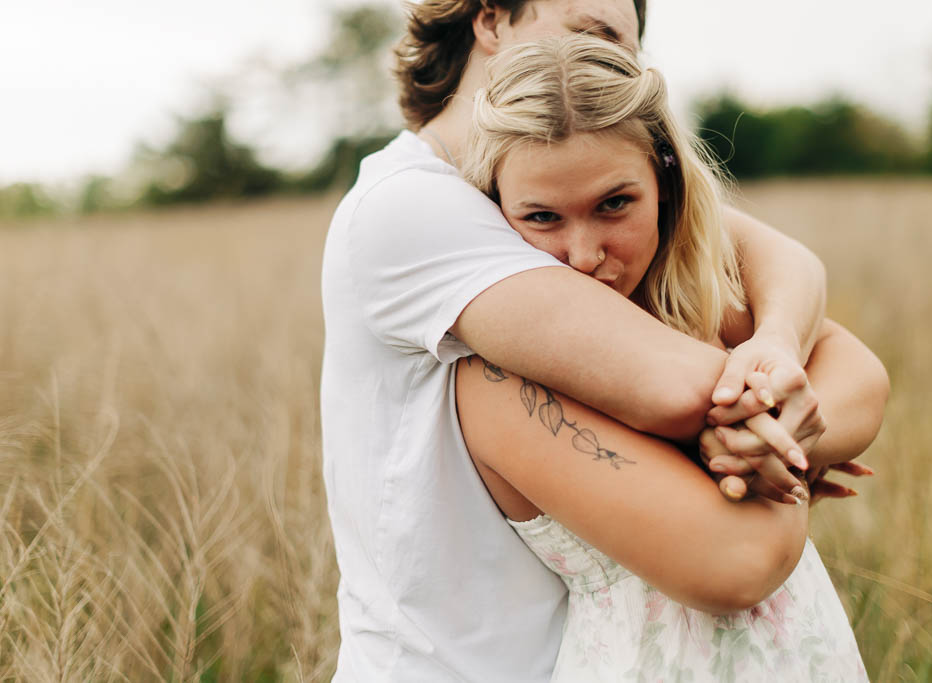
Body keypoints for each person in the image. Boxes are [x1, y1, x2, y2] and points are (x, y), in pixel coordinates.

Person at [320, 1, 887, 680]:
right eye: (594, 34)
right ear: (493, 19)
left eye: (626, 46)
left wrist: (777, 351)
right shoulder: (422, 206)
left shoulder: (577, 170)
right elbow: (678, 389)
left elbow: (793, 275)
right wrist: (782, 444)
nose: (582, 253)